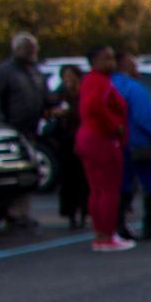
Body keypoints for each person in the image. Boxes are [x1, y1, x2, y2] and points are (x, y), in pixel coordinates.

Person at [0, 31, 49, 230]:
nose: (31, 52)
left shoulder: (35, 72)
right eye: (27, 48)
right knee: (13, 173)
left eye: (33, 48)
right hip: (10, 131)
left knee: (28, 173)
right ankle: (11, 212)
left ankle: (22, 213)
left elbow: (44, 97)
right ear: (17, 49)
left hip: (31, 131)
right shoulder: (4, 72)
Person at [75, 44, 132, 253]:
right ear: (94, 61)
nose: (111, 63)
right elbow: (94, 105)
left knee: (97, 189)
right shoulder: (98, 81)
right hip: (100, 139)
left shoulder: (92, 80)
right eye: (106, 59)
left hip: (88, 138)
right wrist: (114, 125)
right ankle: (107, 234)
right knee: (108, 189)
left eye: (112, 58)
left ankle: (100, 233)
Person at [110, 51, 151, 241]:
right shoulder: (134, 88)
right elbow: (143, 116)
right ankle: (149, 225)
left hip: (118, 143)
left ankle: (120, 225)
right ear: (124, 65)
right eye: (133, 64)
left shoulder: (109, 85)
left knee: (124, 183)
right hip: (139, 142)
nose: (137, 68)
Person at [48, 64, 89, 229]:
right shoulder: (59, 96)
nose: (69, 80)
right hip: (65, 142)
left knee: (83, 179)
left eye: (71, 76)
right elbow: (48, 111)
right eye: (65, 77)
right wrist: (55, 113)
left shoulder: (84, 94)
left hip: (82, 139)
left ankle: (84, 212)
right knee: (68, 180)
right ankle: (71, 213)